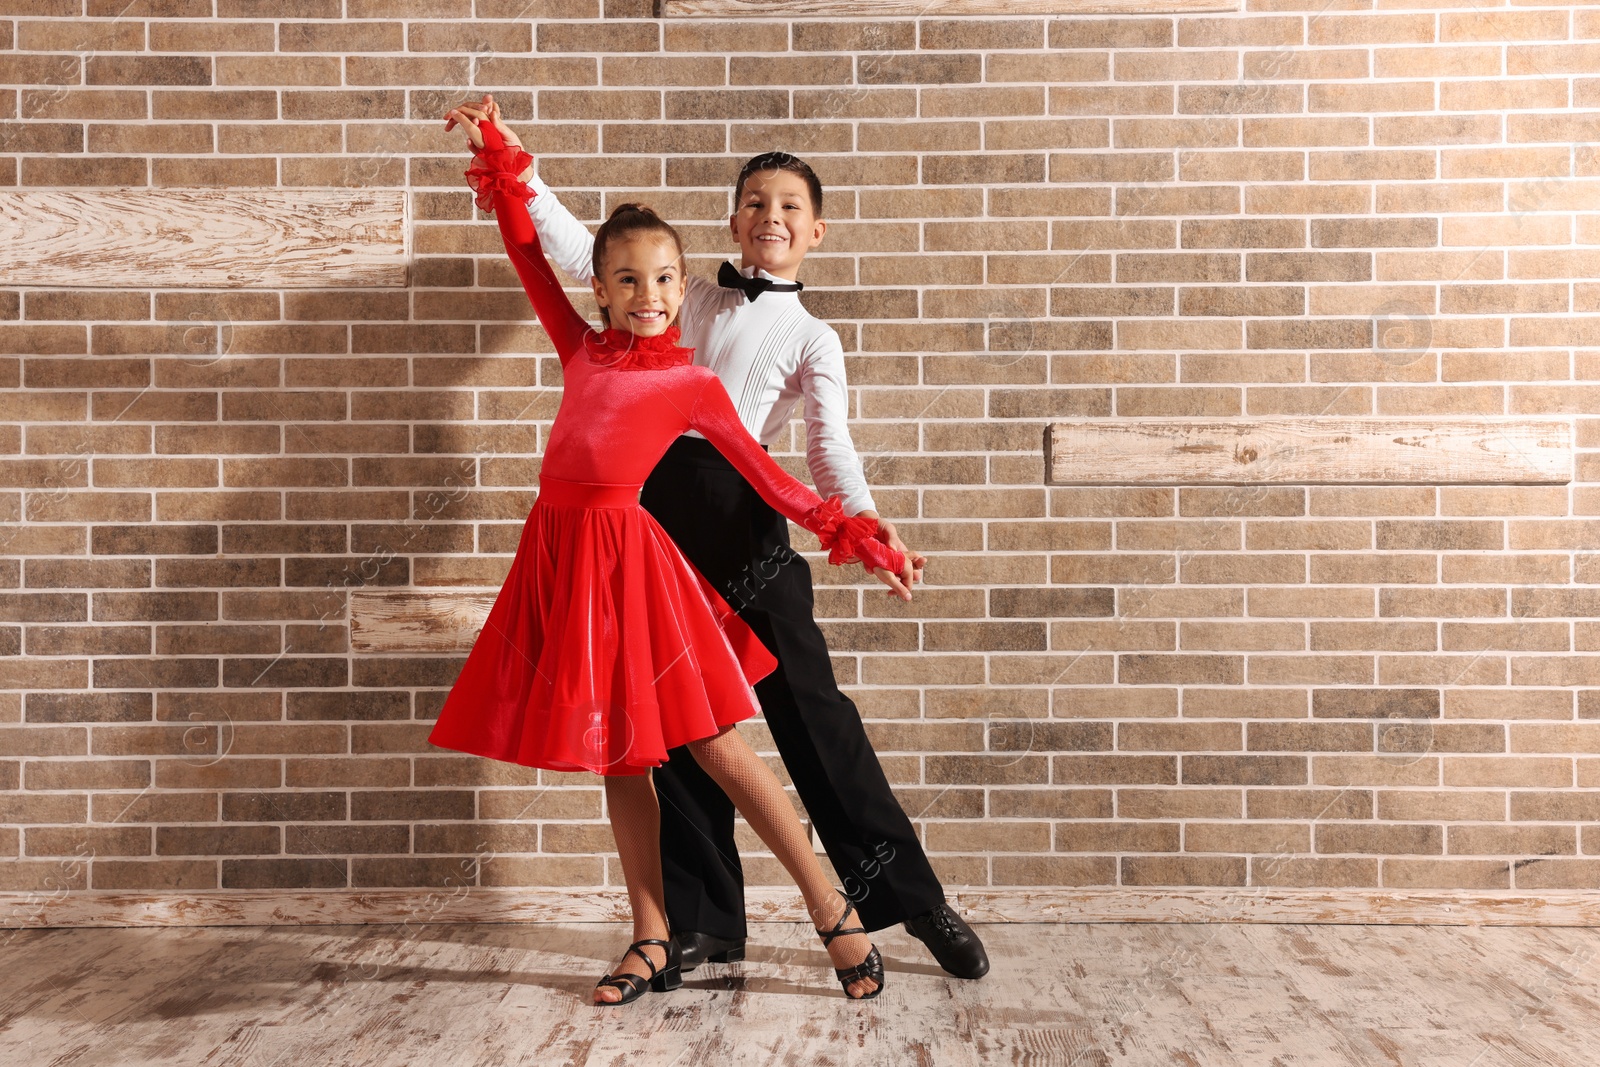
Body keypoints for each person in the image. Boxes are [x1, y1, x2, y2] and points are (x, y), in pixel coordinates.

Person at [442, 95, 989, 982]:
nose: (771, 216)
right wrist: (514, 165)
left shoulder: (812, 333)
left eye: (790, 207)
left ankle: (906, 898)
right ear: (731, 221)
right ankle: (698, 924)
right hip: (645, 505)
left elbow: (820, 448)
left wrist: (859, 518)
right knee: (663, 725)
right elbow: (580, 253)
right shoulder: (677, 291)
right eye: (755, 202)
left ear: (816, 232)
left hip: (741, 509)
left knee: (808, 709)